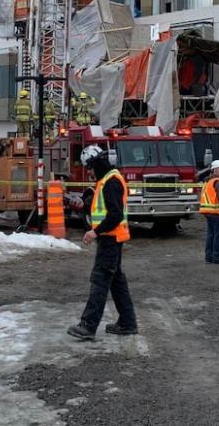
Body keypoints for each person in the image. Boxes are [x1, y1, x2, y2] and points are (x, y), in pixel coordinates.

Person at [68, 144, 138, 340]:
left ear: (97, 163)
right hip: (112, 238)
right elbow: (106, 210)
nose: (89, 172)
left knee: (99, 281)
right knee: (116, 282)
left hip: (110, 239)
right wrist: (85, 206)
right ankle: (127, 322)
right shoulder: (107, 180)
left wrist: (95, 232)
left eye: (89, 168)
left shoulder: (111, 181)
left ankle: (88, 326)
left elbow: (114, 215)